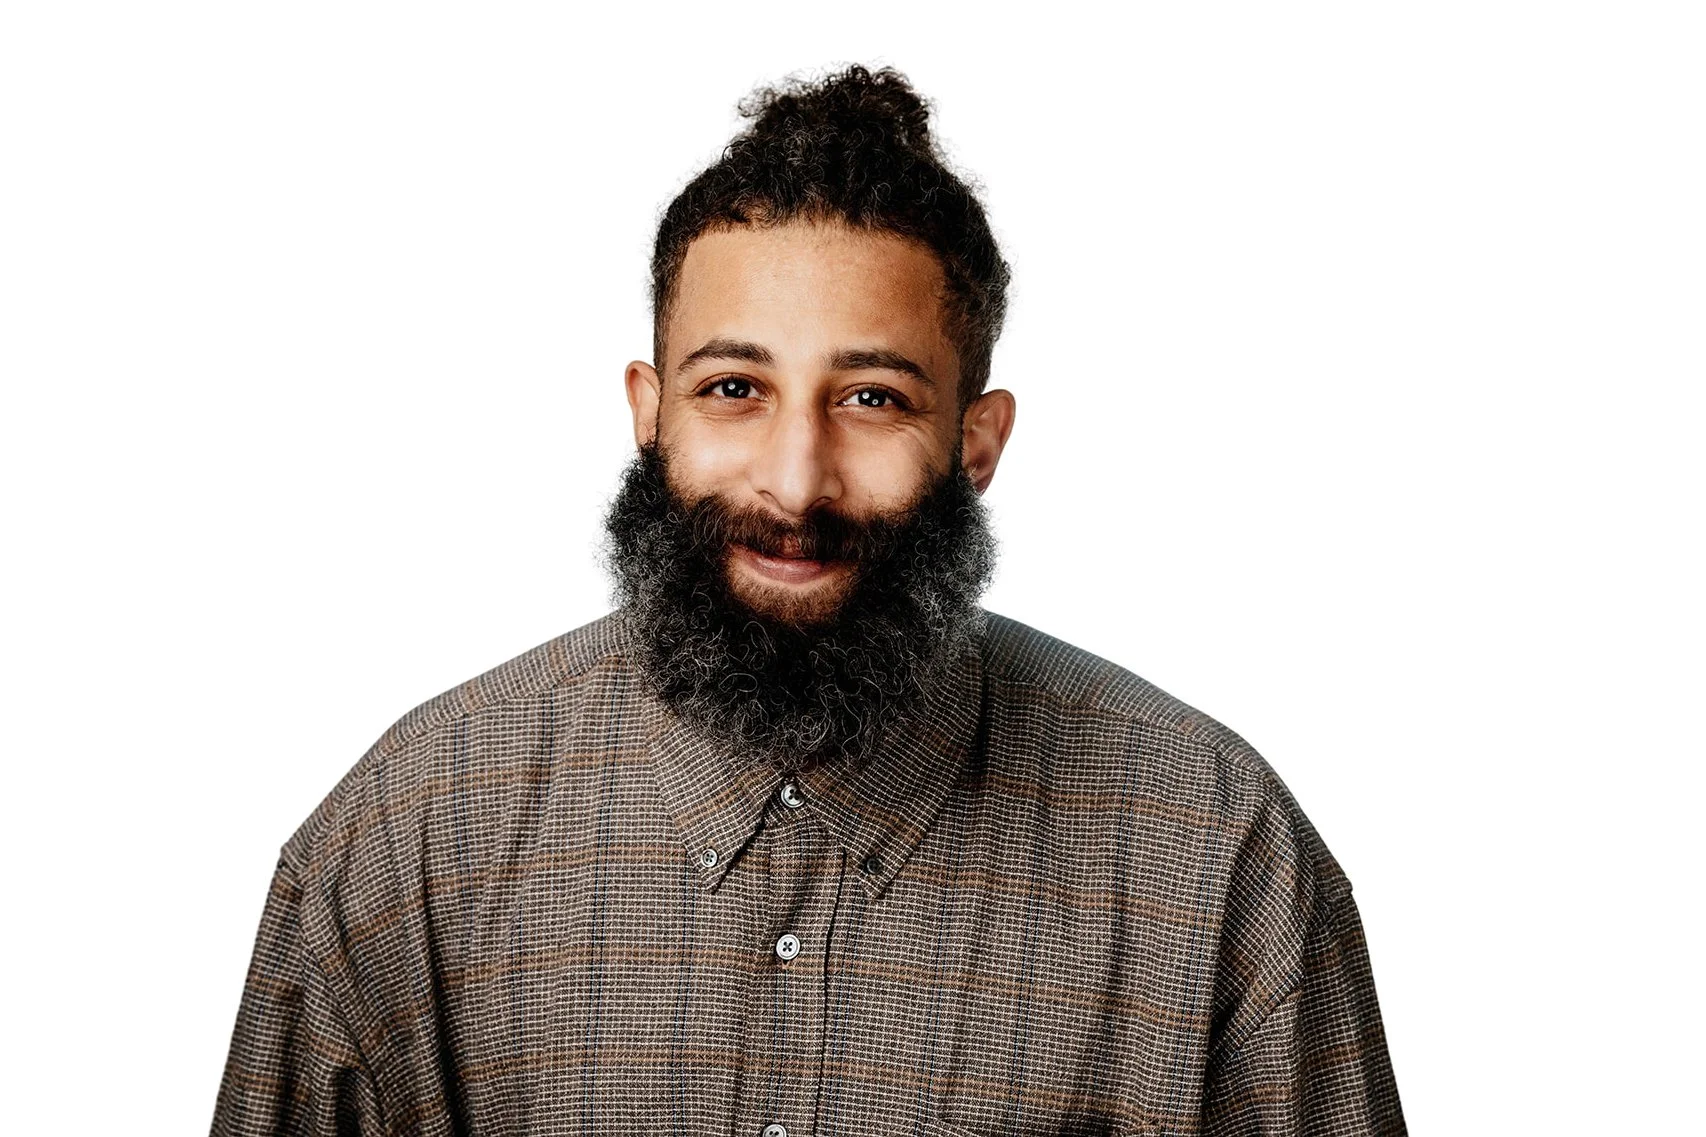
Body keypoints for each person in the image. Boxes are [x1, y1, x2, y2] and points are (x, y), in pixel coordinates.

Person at [211, 64, 1406, 1137]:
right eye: (734, 388)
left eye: (872, 399)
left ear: (976, 440)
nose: (794, 484)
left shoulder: (1216, 857)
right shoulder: (404, 845)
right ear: (649, 412)